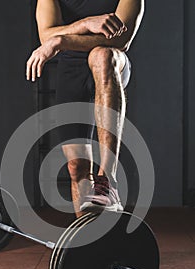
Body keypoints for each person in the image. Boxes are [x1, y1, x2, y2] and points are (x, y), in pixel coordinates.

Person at [26, 0, 144, 216]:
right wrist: (85, 24)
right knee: (76, 167)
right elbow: (46, 36)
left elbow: (121, 39)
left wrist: (61, 39)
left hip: (112, 61)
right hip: (71, 69)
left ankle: (107, 181)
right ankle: (86, 242)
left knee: (101, 54)